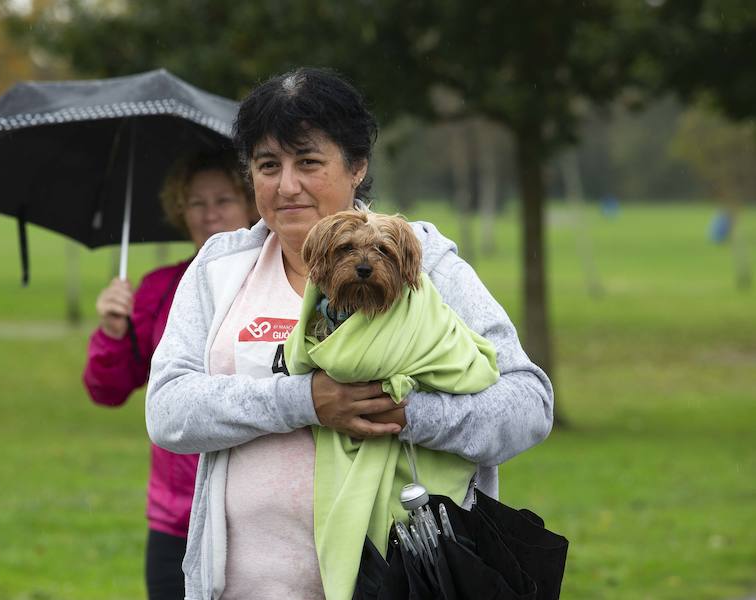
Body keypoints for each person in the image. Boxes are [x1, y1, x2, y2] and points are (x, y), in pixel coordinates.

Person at [146, 68, 554, 600]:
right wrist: (305, 401)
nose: (286, 185)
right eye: (268, 166)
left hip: (403, 582)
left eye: (309, 162)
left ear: (357, 167)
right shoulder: (221, 270)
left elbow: (528, 406)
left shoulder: (425, 265)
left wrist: (407, 414)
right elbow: (170, 411)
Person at [83, 149, 256, 600]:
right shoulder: (160, 288)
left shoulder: (279, 282)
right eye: (196, 203)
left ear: (251, 203)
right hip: (176, 516)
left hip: (255, 513)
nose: (210, 214)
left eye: (223, 199)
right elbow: (108, 389)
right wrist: (111, 332)